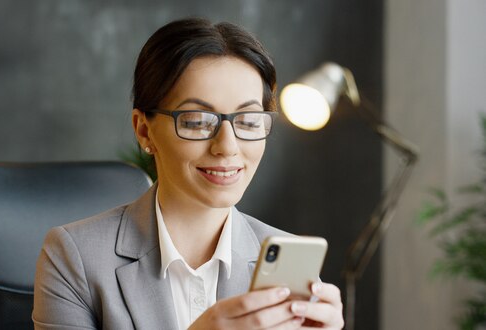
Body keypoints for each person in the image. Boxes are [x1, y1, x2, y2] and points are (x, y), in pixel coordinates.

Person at [33, 17, 344, 330]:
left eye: (249, 121)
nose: (227, 147)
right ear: (144, 131)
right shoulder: (75, 256)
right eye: (198, 121)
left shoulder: (288, 270)